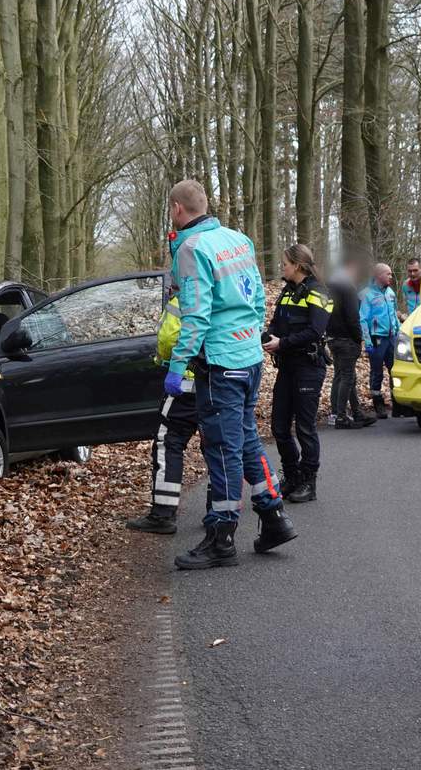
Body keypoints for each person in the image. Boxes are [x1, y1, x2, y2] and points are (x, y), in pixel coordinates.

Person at [163, 179, 297, 570]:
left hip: (220, 363)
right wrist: (250, 337)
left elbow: (196, 314)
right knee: (246, 442)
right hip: (248, 358)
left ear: (177, 209)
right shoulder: (238, 240)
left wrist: (178, 364)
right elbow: (257, 298)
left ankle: (221, 538)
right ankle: (274, 516)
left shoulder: (191, 248)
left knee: (222, 450)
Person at [124, 269, 198, 535]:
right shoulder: (214, 299)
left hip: (185, 385)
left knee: (168, 444)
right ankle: (218, 511)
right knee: (218, 448)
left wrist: (165, 360)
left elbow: (167, 339)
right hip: (215, 386)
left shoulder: (180, 302)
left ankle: (163, 514)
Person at [266, 244, 332, 503]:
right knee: (279, 426)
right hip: (287, 366)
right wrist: (271, 336)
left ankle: (308, 481)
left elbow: (315, 331)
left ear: (298, 266)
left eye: (285, 263)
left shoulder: (319, 292)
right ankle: (292, 475)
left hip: (308, 367)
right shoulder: (287, 291)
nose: (282, 267)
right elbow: (275, 321)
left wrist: (283, 343)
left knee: (304, 428)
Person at [326, 258, 375, 430]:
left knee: (344, 376)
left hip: (333, 337)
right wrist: (358, 337)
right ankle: (340, 416)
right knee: (346, 377)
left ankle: (355, 413)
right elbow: (352, 316)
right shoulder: (347, 288)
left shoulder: (330, 287)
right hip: (346, 338)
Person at [359, 263, 399, 419]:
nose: (391, 276)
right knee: (377, 373)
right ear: (378, 275)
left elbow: (394, 314)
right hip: (377, 339)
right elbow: (362, 319)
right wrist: (368, 342)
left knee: (395, 370)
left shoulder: (390, 292)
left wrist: (399, 331)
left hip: (392, 338)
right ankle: (378, 404)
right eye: (388, 274)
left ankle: (398, 404)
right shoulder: (366, 294)